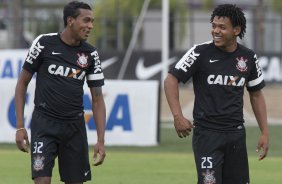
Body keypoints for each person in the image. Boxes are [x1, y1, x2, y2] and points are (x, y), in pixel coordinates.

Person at [164, 4, 269, 184]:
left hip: (236, 135)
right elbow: (170, 80)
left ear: (236, 30)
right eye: (213, 26)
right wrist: (177, 116)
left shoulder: (248, 58)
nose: (215, 31)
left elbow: (256, 95)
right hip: (207, 135)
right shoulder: (199, 52)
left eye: (222, 27)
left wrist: (265, 132)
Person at [15, 1, 106, 184]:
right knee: (42, 181)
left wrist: (101, 140)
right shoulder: (44, 43)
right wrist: (20, 126)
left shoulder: (90, 54)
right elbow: (22, 84)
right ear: (70, 20)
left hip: (74, 128)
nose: (90, 26)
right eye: (86, 20)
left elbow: (97, 99)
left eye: (92, 21)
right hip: (44, 124)